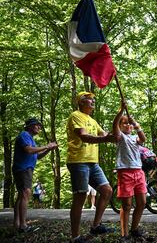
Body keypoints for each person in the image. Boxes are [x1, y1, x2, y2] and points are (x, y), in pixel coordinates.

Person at [66, 91, 115, 243]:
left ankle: (95, 226)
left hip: (93, 163)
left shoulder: (92, 120)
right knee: (80, 196)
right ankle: (75, 237)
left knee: (107, 190)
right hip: (78, 161)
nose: (93, 101)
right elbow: (84, 136)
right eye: (89, 99)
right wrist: (106, 138)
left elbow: (106, 133)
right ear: (81, 102)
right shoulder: (75, 116)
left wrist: (119, 120)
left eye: (93, 99)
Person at [12, 118, 58, 232]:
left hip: (26, 169)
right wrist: (47, 146)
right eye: (37, 125)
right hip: (23, 169)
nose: (39, 127)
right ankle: (23, 226)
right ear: (30, 126)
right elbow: (29, 150)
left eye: (40, 126)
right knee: (26, 193)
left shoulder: (31, 139)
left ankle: (17, 224)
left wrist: (48, 150)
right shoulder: (24, 135)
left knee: (21, 195)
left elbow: (37, 156)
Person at [113, 101, 147, 240]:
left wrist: (136, 124)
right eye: (124, 123)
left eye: (129, 123)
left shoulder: (135, 138)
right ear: (120, 126)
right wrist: (121, 111)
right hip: (125, 172)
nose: (127, 125)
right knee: (126, 205)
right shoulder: (120, 137)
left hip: (138, 172)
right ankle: (124, 233)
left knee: (142, 202)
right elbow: (114, 126)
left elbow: (143, 138)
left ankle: (134, 229)